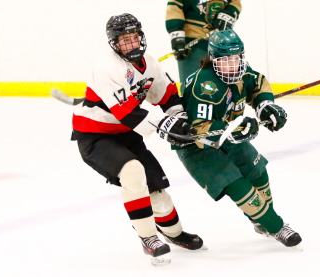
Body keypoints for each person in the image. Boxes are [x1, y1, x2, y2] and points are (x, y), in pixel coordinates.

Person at [71, 13, 205, 266]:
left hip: (126, 135)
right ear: (114, 44)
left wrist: (181, 118)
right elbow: (125, 112)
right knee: (133, 173)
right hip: (95, 136)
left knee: (157, 190)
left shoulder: (150, 63)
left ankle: (174, 234)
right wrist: (166, 125)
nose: (130, 44)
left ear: (141, 37)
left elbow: (166, 95)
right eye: (124, 41)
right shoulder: (106, 69)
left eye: (134, 38)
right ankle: (148, 238)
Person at [158, 29, 302, 248]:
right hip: (197, 146)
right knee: (236, 184)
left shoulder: (242, 71)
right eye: (225, 60)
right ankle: (277, 226)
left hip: (228, 133)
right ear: (213, 60)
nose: (232, 65)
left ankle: (261, 218)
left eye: (236, 58)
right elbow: (199, 128)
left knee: (257, 170)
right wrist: (233, 128)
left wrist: (265, 105)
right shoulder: (205, 85)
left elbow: (258, 83)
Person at [166, 0, 242, 86]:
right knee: (194, 85)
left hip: (221, 44)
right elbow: (174, 7)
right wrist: (177, 37)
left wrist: (229, 13)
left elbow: (235, 2)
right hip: (194, 46)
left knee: (222, 86)